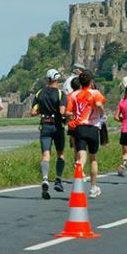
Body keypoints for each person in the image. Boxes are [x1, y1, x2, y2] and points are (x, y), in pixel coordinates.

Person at [66, 70, 106, 198]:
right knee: (93, 159)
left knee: (81, 157)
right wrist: (101, 112)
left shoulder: (73, 95)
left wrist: (73, 118)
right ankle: (93, 187)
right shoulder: (95, 93)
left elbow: (67, 113)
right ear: (91, 81)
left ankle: (79, 168)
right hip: (93, 128)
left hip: (79, 128)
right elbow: (100, 104)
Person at [31, 69, 67, 199]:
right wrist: (69, 114)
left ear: (47, 79)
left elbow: (33, 112)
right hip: (57, 126)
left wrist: (42, 109)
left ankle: (45, 179)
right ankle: (58, 179)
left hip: (45, 125)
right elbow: (62, 111)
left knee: (46, 154)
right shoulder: (60, 94)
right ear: (57, 79)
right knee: (60, 154)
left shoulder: (39, 93)